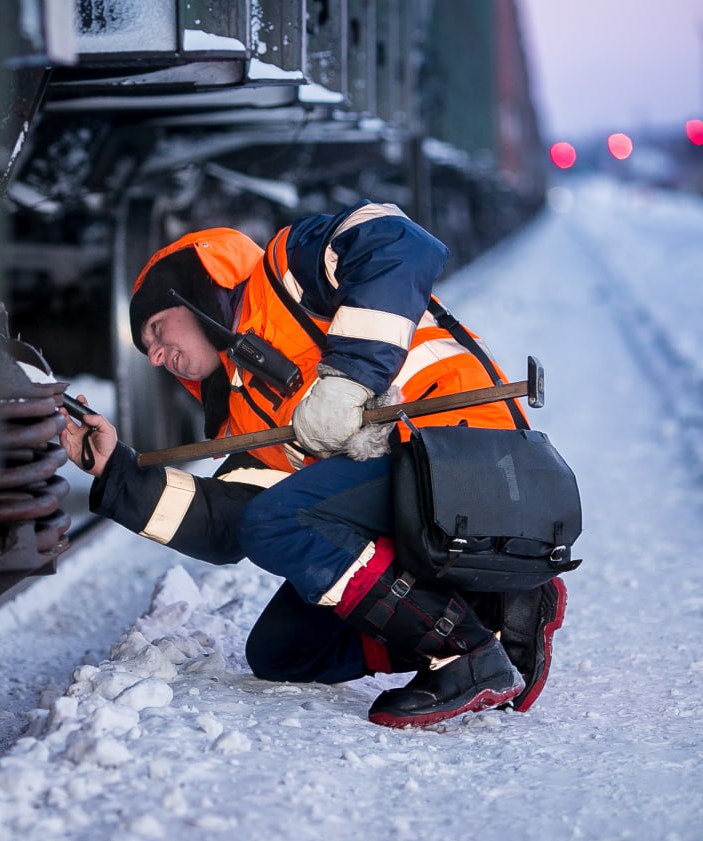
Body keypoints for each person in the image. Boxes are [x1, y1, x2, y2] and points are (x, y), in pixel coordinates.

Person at [59, 200, 567, 728]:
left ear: (192, 294)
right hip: (414, 493)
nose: (156, 356)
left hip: (468, 455)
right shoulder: (245, 411)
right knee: (281, 652)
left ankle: (464, 652)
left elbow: (396, 238)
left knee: (279, 519)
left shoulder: (288, 273)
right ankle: (496, 611)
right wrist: (115, 472)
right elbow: (228, 527)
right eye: (148, 350)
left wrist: (349, 378)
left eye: (157, 330)